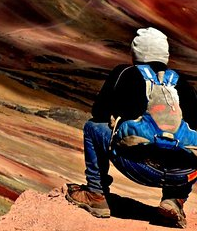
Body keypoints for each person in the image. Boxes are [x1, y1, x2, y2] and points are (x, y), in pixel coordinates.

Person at [67, 27, 197, 228]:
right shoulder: (183, 84)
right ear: (165, 54)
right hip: (181, 175)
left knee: (92, 127)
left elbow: (99, 112)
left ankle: (95, 193)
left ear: (137, 52)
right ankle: (174, 200)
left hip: (140, 167)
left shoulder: (125, 73)